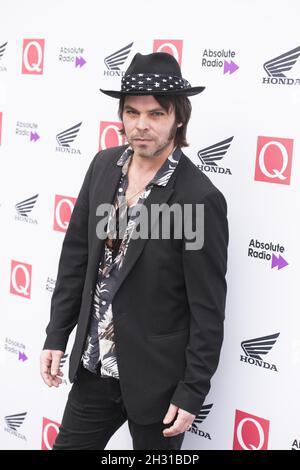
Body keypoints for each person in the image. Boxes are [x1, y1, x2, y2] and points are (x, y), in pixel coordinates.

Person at [40, 52, 228, 450]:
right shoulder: (103, 166)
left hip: (158, 386)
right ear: (121, 116)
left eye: (156, 114)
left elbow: (207, 308)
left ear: (178, 118)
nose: (141, 125)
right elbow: (76, 258)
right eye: (132, 112)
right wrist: (57, 334)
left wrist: (191, 391)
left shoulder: (197, 198)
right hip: (94, 369)